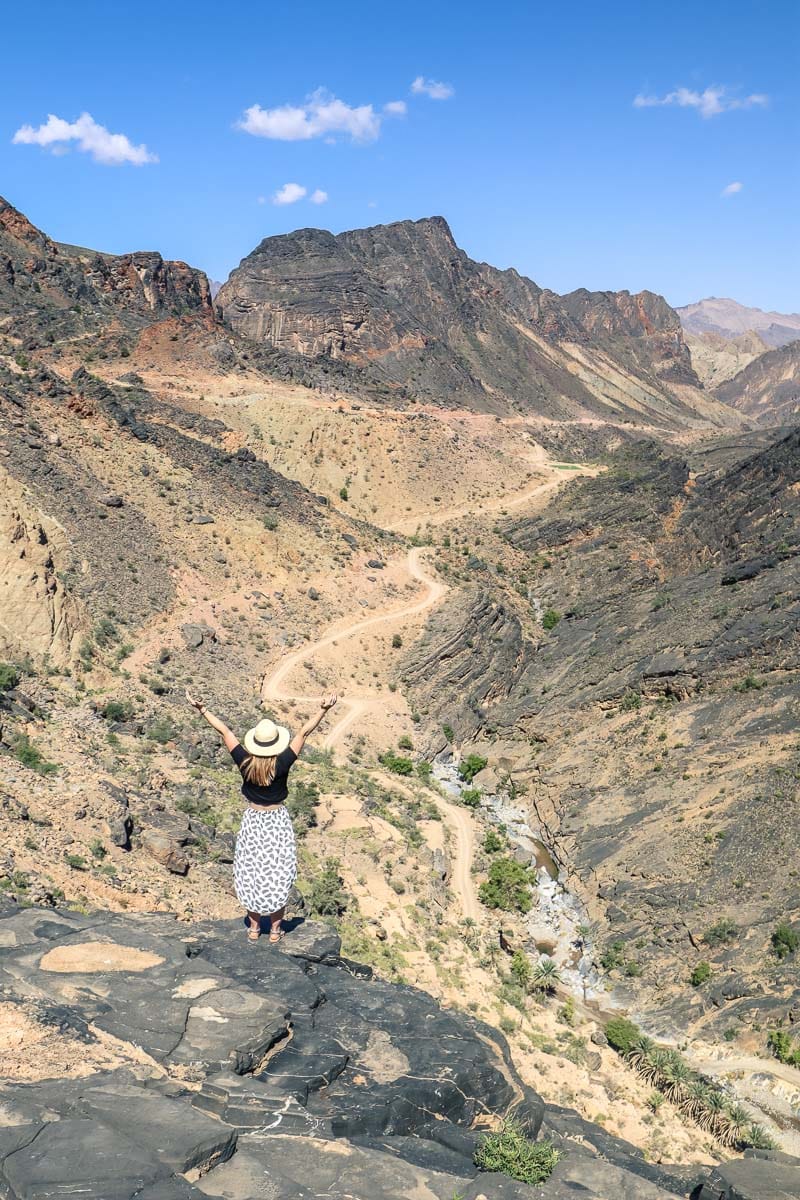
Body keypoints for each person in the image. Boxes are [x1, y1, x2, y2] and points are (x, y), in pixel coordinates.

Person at [185, 688, 338, 942]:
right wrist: (323, 709)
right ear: (275, 743)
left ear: (255, 742)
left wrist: (202, 710)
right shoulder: (282, 763)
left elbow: (224, 732)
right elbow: (304, 732)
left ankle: (254, 928)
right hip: (277, 823)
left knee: (251, 872)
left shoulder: (244, 761)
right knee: (278, 872)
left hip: (253, 822)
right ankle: (276, 930)